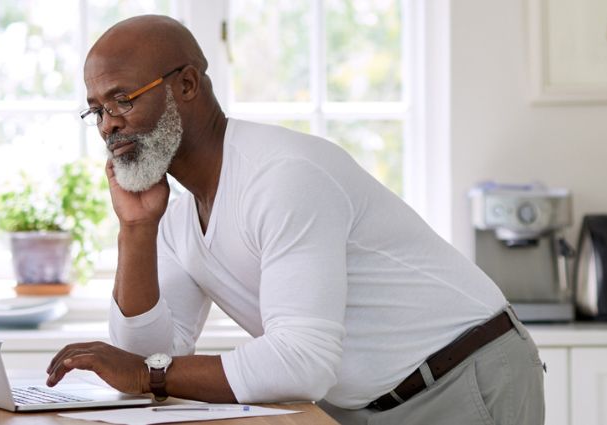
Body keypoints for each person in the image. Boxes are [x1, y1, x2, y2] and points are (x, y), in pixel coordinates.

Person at [43, 15, 544, 424]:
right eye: (96, 110)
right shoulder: (173, 212)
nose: (108, 124)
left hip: (462, 378)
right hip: (363, 402)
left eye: (122, 99)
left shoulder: (282, 177)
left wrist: (149, 375)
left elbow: (301, 360)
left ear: (188, 84)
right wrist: (136, 230)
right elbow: (150, 351)